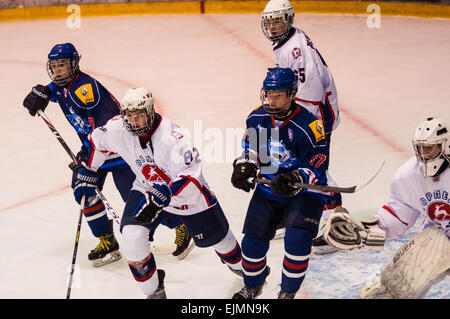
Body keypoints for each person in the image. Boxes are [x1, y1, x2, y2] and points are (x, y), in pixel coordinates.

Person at [22, 43, 192, 266]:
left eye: (62, 66)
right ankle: (107, 241)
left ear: (74, 65)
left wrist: (87, 159)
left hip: (118, 152)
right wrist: (41, 92)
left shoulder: (86, 90)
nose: (57, 71)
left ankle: (181, 225)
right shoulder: (63, 86)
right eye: (54, 66)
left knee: (139, 199)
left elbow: (106, 131)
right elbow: (53, 91)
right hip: (95, 150)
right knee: (83, 192)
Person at [72, 87, 243, 298]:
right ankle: (154, 293)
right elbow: (95, 142)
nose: (133, 121)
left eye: (139, 115)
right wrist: (87, 169)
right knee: (132, 239)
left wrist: (166, 194)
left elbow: (191, 175)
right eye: (129, 115)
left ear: (150, 112)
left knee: (222, 244)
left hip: (187, 196)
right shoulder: (118, 129)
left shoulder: (173, 137)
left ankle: (247, 273)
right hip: (147, 188)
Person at [231, 67, 332, 299]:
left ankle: (287, 292)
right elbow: (252, 148)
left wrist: (296, 178)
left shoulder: (310, 126)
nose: (271, 100)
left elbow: (318, 164)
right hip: (269, 188)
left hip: (305, 193)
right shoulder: (257, 118)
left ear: (291, 94)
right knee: (251, 245)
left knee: (297, 241)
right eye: (268, 94)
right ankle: (253, 284)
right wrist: (244, 164)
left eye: (277, 95)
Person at [323, 117, 450, 299]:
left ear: (445, 146)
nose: (424, 154)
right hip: (437, 238)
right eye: (421, 148)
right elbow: (398, 215)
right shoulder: (409, 175)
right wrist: (367, 229)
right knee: (391, 289)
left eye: (430, 148)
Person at [261, 0, 342, 254]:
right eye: (269, 22)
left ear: (289, 20)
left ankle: (335, 227)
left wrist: (300, 123)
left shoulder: (294, 49)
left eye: (278, 21)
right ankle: (295, 214)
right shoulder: (287, 41)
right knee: (294, 163)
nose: (273, 27)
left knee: (315, 167)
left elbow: (312, 90)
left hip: (315, 114)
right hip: (307, 110)